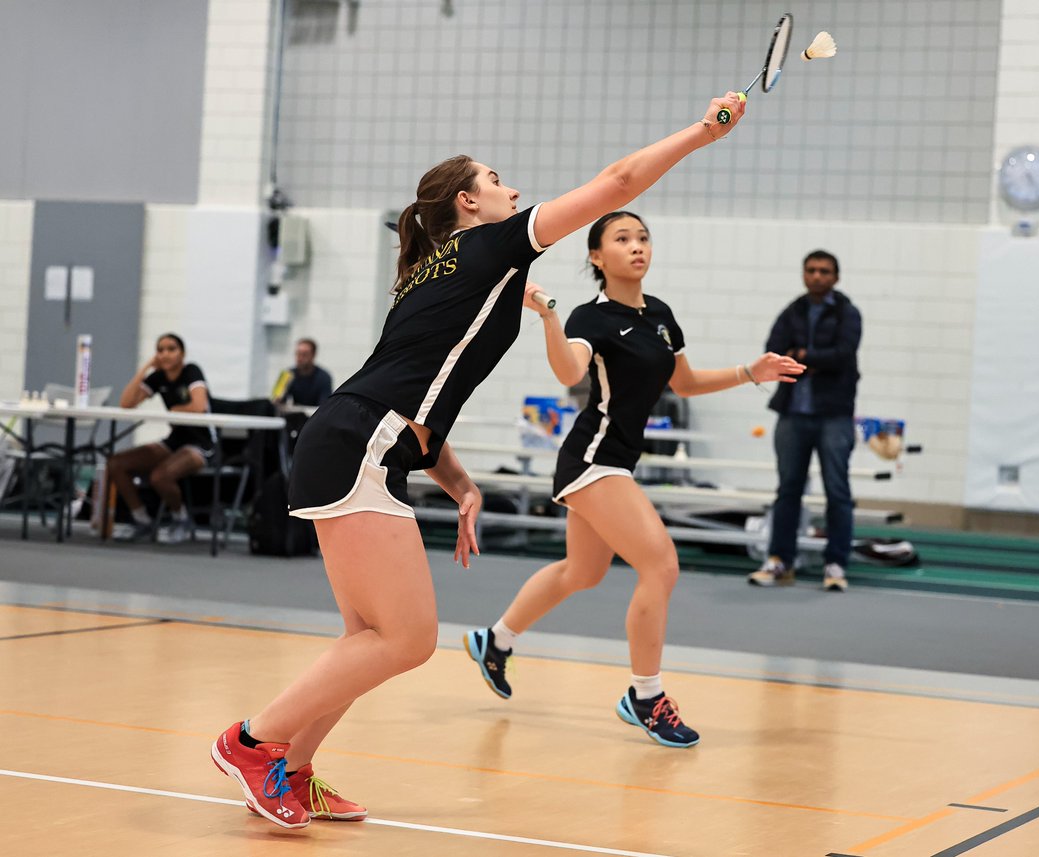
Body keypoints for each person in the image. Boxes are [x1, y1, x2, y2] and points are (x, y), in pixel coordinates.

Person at [210, 93, 749, 830]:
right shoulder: (492, 245)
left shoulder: (434, 271)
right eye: (499, 179)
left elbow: (414, 388)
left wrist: (458, 481)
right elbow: (619, 182)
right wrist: (703, 130)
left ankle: (292, 770)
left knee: (367, 638)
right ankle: (249, 741)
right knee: (407, 639)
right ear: (471, 202)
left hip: (360, 443)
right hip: (357, 448)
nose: (516, 190)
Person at [464, 212, 804, 748]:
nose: (637, 246)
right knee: (660, 564)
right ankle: (645, 696)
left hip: (617, 460)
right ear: (598, 257)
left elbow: (684, 383)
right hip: (592, 460)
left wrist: (748, 373)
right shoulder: (589, 318)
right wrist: (549, 319)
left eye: (642, 237)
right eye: (622, 239)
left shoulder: (661, 315)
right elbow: (570, 373)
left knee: (582, 572)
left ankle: (495, 640)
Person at [747, 250, 862, 591]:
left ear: (835, 277)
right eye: (810, 270)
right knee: (787, 491)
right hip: (792, 414)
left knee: (838, 492)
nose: (816, 276)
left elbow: (843, 355)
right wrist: (806, 359)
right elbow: (773, 351)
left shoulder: (848, 313)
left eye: (824, 271)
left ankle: (836, 564)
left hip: (834, 416)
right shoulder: (792, 311)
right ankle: (780, 561)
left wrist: (803, 355)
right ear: (803, 274)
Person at [106, 333, 215, 545]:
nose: (165, 354)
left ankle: (181, 519)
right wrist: (146, 367)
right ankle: (141, 520)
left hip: (201, 443)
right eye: (160, 350)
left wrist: (176, 409)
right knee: (116, 463)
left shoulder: (191, 371)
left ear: (182, 354)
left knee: (160, 476)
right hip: (174, 441)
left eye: (171, 349)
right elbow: (126, 403)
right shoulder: (157, 377)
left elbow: (199, 406)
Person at [275, 338, 333, 407]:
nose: (300, 358)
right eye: (298, 354)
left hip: (315, 415)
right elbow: (276, 401)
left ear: (313, 355)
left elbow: (324, 406)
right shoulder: (286, 374)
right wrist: (278, 397)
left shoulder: (324, 377)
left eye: (304, 354)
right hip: (294, 415)